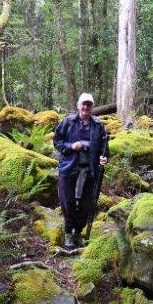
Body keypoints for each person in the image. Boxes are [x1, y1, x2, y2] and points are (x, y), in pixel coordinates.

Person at [53, 93, 109, 248]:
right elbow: (57, 141)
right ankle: (68, 233)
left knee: (86, 205)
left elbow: (105, 148)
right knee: (68, 203)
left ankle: (78, 233)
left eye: (89, 105)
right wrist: (71, 147)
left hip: (90, 172)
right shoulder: (68, 122)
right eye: (83, 104)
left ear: (92, 107)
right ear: (78, 105)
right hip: (68, 170)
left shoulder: (98, 125)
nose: (86, 107)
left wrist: (103, 158)